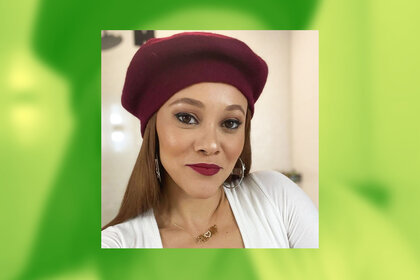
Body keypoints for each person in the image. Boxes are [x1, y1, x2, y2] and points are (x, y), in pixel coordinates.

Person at [101, 32, 318, 248]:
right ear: (153, 129)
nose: (211, 145)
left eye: (230, 123)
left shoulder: (276, 196)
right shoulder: (117, 244)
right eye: (186, 118)